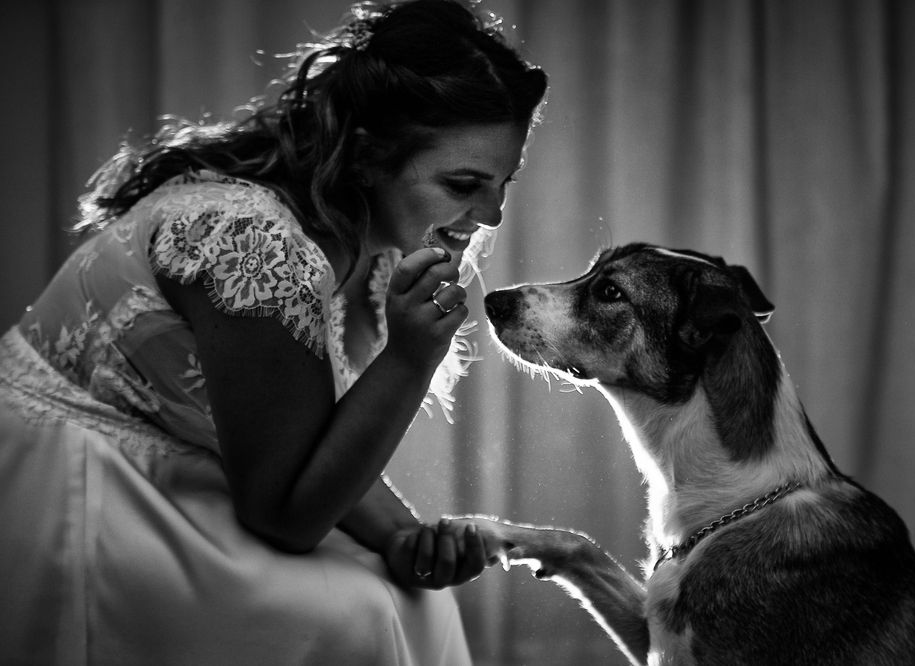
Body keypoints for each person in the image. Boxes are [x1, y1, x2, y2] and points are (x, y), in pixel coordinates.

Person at [0, 0, 547, 663]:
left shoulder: (361, 236)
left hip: (196, 468)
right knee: (356, 614)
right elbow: (284, 515)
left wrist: (403, 536)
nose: (489, 214)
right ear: (370, 154)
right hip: (70, 483)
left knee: (410, 597)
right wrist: (408, 359)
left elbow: (298, 435)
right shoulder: (252, 241)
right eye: (465, 183)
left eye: (503, 183)